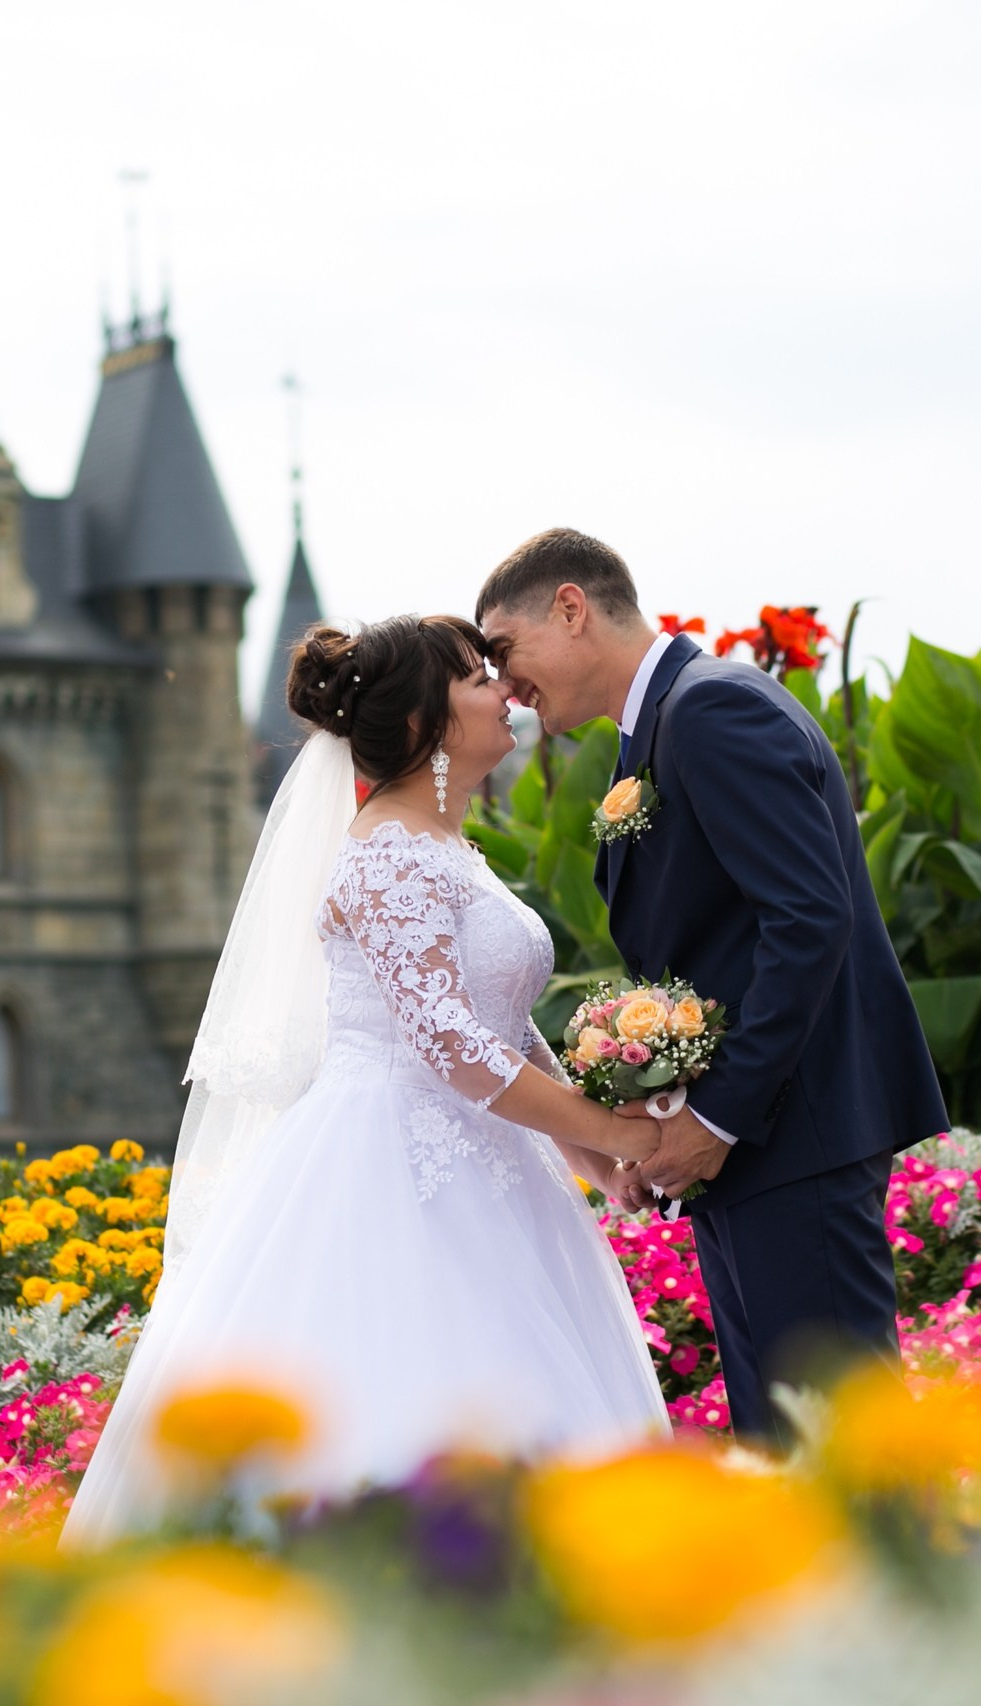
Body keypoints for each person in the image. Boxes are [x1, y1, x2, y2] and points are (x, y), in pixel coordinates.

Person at [65, 615, 668, 1546]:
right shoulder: (387, 852)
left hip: (489, 1163)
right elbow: (450, 1044)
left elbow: (500, 1030)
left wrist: (588, 1150)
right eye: (476, 678)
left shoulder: (448, 850)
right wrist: (624, 1130)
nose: (502, 689)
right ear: (426, 722)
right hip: (388, 1165)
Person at [476, 528, 949, 1442]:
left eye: (506, 651)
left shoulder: (714, 710)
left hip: (788, 1130)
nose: (505, 685)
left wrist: (715, 1116)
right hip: (751, 1146)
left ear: (571, 607)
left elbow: (810, 920)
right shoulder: (655, 731)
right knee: (782, 1442)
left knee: (840, 1446)